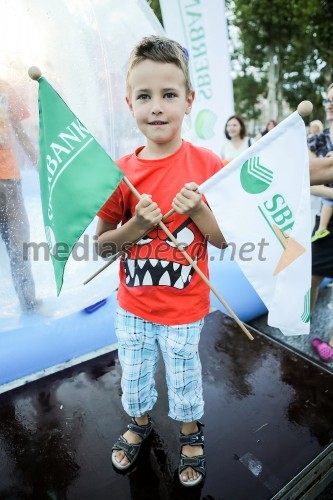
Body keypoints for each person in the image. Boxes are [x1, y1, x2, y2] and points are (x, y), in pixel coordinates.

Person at [95, 36, 226, 486]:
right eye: (145, 96)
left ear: (188, 101)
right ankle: (139, 423)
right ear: (128, 102)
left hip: (185, 308)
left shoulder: (209, 165)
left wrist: (200, 212)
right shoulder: (120, 173)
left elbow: (223, 240)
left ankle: (191, 432)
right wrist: (133, 228)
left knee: (185, 374)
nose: (156, 107)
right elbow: (103, 246)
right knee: (133, 374)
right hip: (132, 305)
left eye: (169, 95)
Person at [0, 79, 40, 313]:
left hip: (9, 181)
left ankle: (30, 304)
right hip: (9, 181)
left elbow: (20, 131)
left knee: (19, 245)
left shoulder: (5, 88)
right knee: (18, 245)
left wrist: (39, 167)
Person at [308, 82, 333, 362]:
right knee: (313, 276)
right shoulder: (316, 141)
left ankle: (331, 345)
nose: (329, 104)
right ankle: (307, 324)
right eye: (327, 99)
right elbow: (308, 180)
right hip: (325, 223)